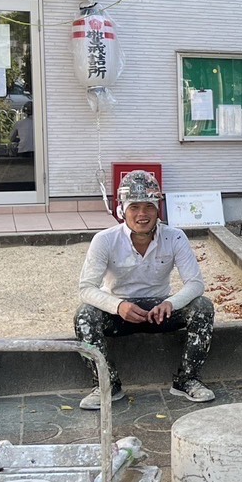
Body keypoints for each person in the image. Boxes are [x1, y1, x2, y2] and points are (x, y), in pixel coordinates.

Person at [74, 169, 216, 409]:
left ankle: (187, 379)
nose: (142, 214)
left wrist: (170, 303)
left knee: (202, 307)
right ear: (122, 210)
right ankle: (107, 385)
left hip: (160, 311)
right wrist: (118, 306)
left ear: (158, 209)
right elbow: (86, 288)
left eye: (149, 206)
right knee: (84, 315)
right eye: (134, 207)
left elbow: (195, 283)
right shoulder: (105, 240)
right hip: (119, 313)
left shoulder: (175, 237)